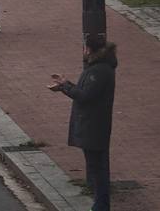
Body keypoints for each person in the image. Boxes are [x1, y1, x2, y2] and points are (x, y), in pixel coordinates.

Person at [48, 35, 117, 211]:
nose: (84, 51)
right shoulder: (98, 68)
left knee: (97, 168)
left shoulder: (98, 71)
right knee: (96, 166)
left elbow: (85, 96)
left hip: (94, 125)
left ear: (90, 49)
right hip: (94, 124)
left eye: (85, 48)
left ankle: (101, 206)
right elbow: (84, 91)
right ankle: (100, 203)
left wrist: (65, 87)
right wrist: (66, 84)